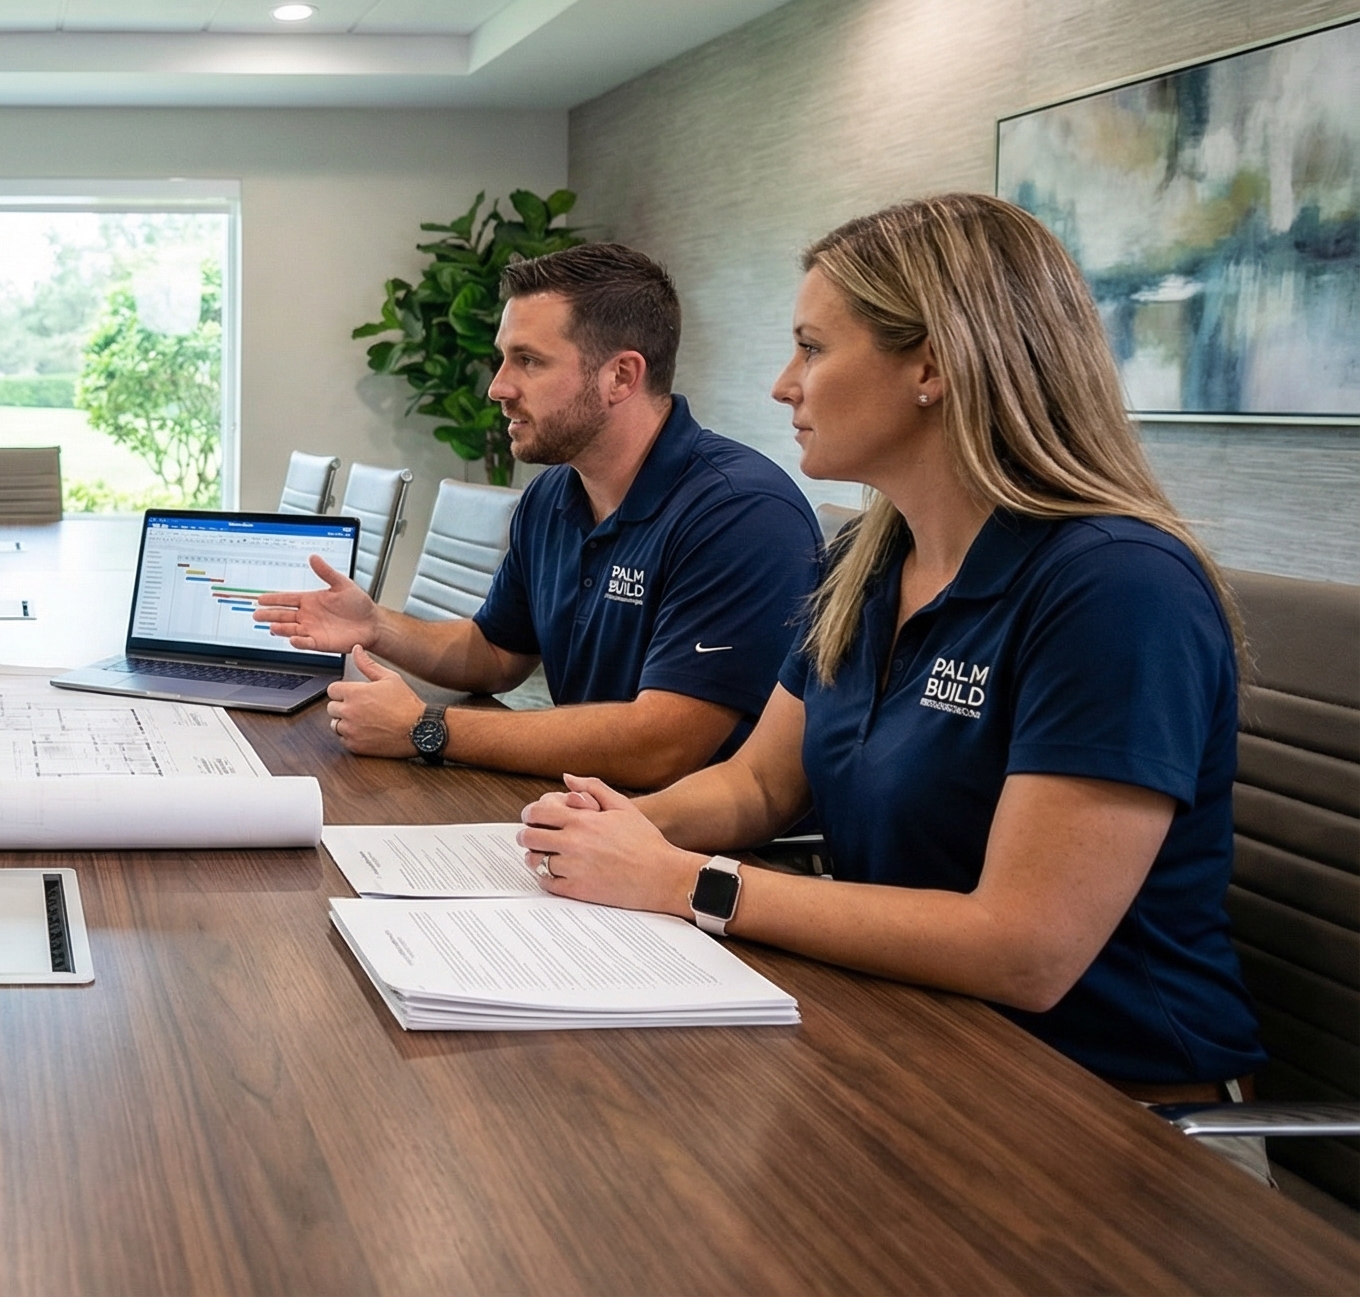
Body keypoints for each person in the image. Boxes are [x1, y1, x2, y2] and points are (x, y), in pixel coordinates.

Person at [517, 194, 1264, 1114]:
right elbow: (758, 787)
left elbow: (1023, 948)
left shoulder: (1118, 589)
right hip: (906, 1039)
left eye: (814, 348)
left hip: (1106, 1102)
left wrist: (687, 882)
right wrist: (614, 827)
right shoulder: (870, 559)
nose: (783, 384)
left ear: (934, 366)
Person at [256, 243, 820, 787]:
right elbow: (497, 653)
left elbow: (665, 744)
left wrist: (428, 728)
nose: (498, 388)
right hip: (586, 812)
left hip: (705, 852)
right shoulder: (552, 494)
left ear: (621, 376)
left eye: (528, 360)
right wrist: (377, 626)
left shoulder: (740, 514)